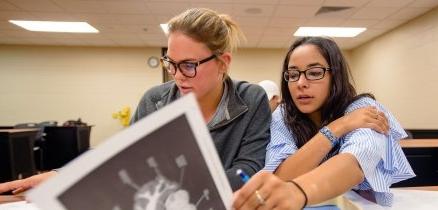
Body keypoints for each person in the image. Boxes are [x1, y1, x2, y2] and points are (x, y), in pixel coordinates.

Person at [0, 10, 387, 194]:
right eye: (171, 62)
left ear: (223, 63)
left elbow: (249, 172)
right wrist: (67, 175)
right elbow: (126, 159)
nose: (176, 75)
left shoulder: (250, 100)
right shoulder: (155, 99)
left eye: (188, 65)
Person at [233, 37, 415, 210]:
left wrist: (297, 191)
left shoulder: (364, 109)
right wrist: (337, 127)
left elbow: (356, 163)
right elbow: (281, 176)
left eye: (314, 73)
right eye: (293, 74)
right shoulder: (283, 114)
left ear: (335, 76)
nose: (301, 83)